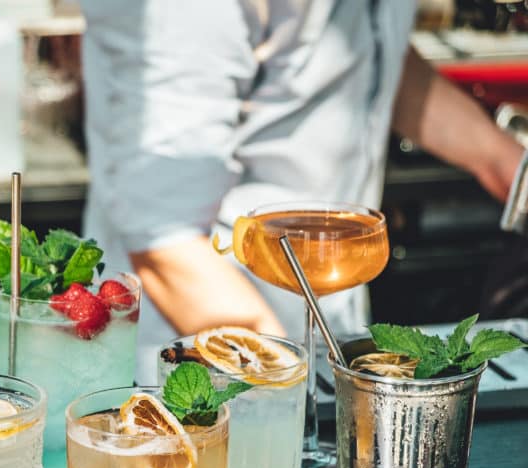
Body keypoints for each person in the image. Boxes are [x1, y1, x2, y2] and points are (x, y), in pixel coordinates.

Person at [80, 0, 525, 383]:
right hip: (200, 367)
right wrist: (286, 387)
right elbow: (165, 244)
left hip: (315, 341)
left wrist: (507, 164)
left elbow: (365, 53)